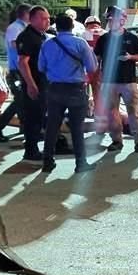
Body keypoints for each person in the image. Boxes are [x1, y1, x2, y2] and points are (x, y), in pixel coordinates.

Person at [37, 13, 98, 173]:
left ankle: (47, 162)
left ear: (57, 27)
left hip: (55, 88)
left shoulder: (47, 44)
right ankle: (80, 163)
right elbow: (92, 67)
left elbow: (40, 67)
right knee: (77, 128)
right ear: (72, 26)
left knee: (52, 127)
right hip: (76, 90)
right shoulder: (80, 43)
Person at [94, 6, 138, 153]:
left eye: (115, 19)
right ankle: (116, 140)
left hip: (128, 81)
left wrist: (130, 57)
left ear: (122, 20)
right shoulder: (104, 39)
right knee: (112, 112)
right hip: (108, 82)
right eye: (109, 19)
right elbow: (96, 59)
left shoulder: (131, 38)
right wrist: (97, 76)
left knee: (134, 111)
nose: (112, 22)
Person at [0, 4, 31, 141]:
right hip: (16, 70)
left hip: (22, 69)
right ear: (26, 14)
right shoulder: (15, 28)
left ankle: (25, 128)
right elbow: (15, 44)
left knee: (22, 100)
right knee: (20, 100)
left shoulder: (23, 27)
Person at [15, 6, 51, 162]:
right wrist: (30, 84)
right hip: (34, 83)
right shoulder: (27, 36)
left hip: (45, 82)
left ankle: (37, 146)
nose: (47, 21)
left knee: (41, 116)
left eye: (48, 18)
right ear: (32, 19)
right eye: (43, 18)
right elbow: (22, 62)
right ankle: (31, 150)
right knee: (33, 117)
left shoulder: (43, 36)